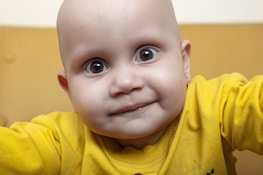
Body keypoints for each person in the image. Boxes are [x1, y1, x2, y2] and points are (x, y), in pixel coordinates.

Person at [0, 0, 262, 174]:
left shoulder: (218, 107)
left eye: (146, 54)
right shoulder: (61, 141)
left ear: (183, 63)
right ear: (69, 89)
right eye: (96, 66)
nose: (125, 83)